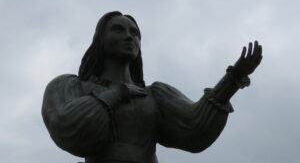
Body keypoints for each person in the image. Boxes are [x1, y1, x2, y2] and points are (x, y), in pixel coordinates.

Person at [42, 11, 263, 163]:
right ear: (100, 39)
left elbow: (194, 128)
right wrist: (114, 95)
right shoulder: (71, 86)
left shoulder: (154, 95)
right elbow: (68, 126)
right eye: (118, 30)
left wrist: (234, 78)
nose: (129, 37)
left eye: (135, 33)